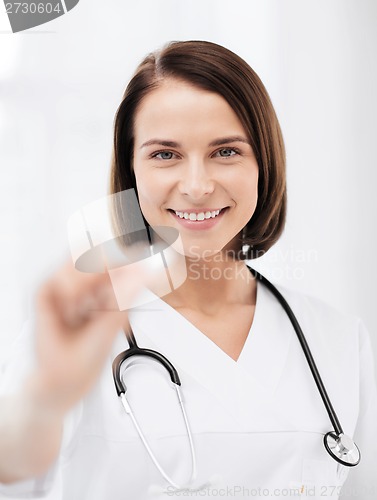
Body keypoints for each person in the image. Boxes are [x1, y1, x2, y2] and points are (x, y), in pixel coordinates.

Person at [0, 40, 376, 500]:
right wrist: (49, 392)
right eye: (165, 154)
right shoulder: (75, 336)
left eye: (226, 152)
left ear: (264, 164)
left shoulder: (337, 341)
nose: (197, 186)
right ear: (131, 170)